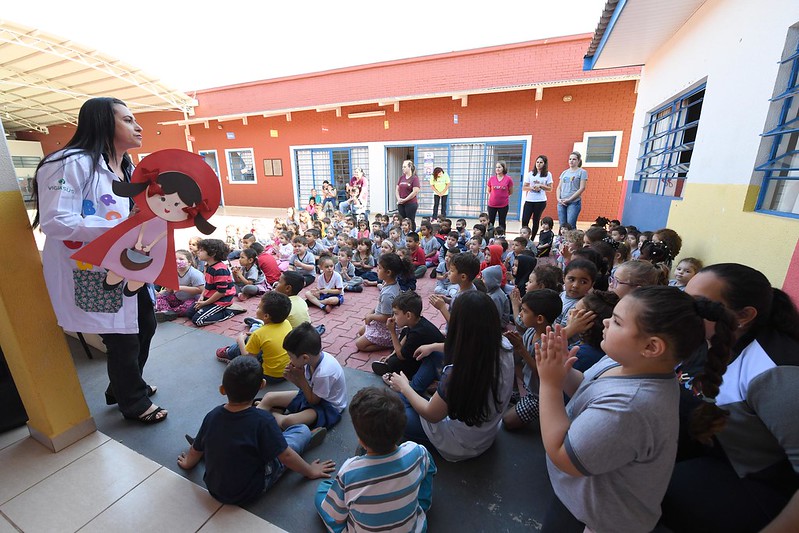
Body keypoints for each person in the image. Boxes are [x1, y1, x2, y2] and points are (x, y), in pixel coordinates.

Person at [537, 286, 735, 533]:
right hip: (580, 499)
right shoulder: (623, 361)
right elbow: (587, 390)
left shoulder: (631, 406)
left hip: (598, 521)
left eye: (618, 322)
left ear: (651, 347)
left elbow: (563, 455)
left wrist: (549, 383)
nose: (606, 321)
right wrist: (563, 372)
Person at [32, 97, 166, 424]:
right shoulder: (68, 163)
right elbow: (55, 221)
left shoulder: (130, 167)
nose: (139, 126)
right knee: (121, 339)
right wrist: (119, 227)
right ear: (104, 123)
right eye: (129, 120)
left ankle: (120, 387)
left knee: (144, 326)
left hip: (129, 266)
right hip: (89, 271)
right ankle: (132, 402)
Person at [662, 264, 799, 532]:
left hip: (758, 488)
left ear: (744, 315)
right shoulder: (706, 339)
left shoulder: (774, 373)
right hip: (714, 456)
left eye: (699, 305)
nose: (683, 314)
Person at [178, 356, 334, 504]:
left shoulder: (212, 416)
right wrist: (310, 471)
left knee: (229, 440)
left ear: (222, 389)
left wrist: (187, 464)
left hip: (214, 488)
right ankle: (304, 437)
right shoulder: (262, 420)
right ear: (262, 385)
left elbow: (195, 449)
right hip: (250, 490)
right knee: (300, 432)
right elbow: (286, 456)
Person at [387, 290, 515, 462]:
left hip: (459, 443)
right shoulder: (503, 345)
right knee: (432, 356)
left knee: (395, 410)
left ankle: (413, 393)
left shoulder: (458, 372)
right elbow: (466, 347)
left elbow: (432, 415)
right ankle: (419, 392)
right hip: (485, 433)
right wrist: (434, 346)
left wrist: (404, 386)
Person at [315, 387, 436, 533]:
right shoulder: (416, 450)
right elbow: (430, 467)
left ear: (361, 441)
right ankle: (422, 505)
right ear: (401, 430)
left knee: (322, 491)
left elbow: (338, 517)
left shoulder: (349, 471)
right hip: (415, 529)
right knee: (426, 465)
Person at [258, 323, 348, 430]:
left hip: (327, 407)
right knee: (269, 397)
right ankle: (259, 415)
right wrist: (293, 379)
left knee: (288, 421)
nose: (289, 360)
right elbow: (306, 389)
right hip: (312, 395)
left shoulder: (323, 373)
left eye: (290, 356)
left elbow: (314, 401)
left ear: (305, 357)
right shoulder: (310, 360)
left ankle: (270, 414)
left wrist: (300, 378)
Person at [503, 288, 562, 430]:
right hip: (530, 382)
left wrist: (521, 349)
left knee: (508, 422)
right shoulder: (530, 331)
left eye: (524, 311)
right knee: (509, 357)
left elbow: (542, 373)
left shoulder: (549, 342)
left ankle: (543, 410)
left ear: (540, 319)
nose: (520, 314)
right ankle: (517, 393)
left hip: (540, 394)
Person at [371, 291, 446, 393]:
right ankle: (390, 363)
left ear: (408, 315)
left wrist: (392, 332)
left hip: (435, 363)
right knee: (403, 336)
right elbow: (406, 336)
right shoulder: (417, 322)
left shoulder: (418, 333)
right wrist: (392, 354)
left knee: (395, 363)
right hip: (424, 355)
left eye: (396, 314)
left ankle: (405, 377)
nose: (393, 317)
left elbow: (401, 356)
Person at [216, 292, 292, 383]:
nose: (257, 308)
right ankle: (254, 326)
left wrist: (240, 341)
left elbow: (249, 360)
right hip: (286, 372)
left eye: (259, 307)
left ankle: (228, 352)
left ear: (266, 316)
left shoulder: (259, 334)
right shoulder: (287, 323)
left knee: (246, 341)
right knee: (255, 339)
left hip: (269, 376)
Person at [355, 253, 410, 351]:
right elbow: (380, 305)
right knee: (360, 331)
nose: (377, 270)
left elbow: (387, 317)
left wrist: (371, 316)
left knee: (360, 344)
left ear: (388, 272)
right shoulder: (389, 283)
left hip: (386, 328)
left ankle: (389, 343)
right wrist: (371, 312)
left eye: (379, 268)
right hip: (381, 323)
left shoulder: (388, 294)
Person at [187, 239, 237, 327]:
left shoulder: (220, 270)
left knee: (198, 321)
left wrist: (205, 303)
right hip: (210, 297)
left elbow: (221, 292)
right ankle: (211, 309)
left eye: (202, 250)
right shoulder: (209, 266)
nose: (198, 252)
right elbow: (207, 285)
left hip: (221, 300)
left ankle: (228, 312)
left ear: (212, 254)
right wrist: (202, 297)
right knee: (189, 313)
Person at [154, 250, 204, 322]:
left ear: (189, 262)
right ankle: (167, 312)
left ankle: (168, 312)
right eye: (175, 259)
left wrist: (181, 288)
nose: (177, 261)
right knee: (159, 299)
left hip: (192, 299)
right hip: (177, 298)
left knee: (187, 308)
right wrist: (161, 292)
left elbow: (201, 290)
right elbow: (169, 290)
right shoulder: (172, 272)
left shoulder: (195, 274)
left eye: (181, 259)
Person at [521, 155, 553, 237]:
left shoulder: (548, 174)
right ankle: (525, 236)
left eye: (541, 162)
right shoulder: (530, 174)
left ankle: (532, 238)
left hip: (540, 201)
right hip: (529, 200)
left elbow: (550, 188)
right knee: (525, 220)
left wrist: (541, 186)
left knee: (535, 220)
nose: (538, 164)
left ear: (544, 164)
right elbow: (524, 187)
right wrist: (532, 187)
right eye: (537, 162)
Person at [556, 151, 588, 229]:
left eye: (574, 159)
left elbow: (582, 188)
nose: (571, 161)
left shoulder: (582, 172)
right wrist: (558, 199)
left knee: (570, 225)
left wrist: (570, 199)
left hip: (574, 202)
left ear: (578, 161)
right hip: (562, 202)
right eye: (570, 159)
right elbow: (559, 187)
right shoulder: (564, 172)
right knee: (562, 225)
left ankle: (573, 241)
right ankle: (562, 241)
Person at [486, 161, 514, 229]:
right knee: (491, 222)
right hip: (492, 205)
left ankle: (501, 237)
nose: (497, 169)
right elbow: (488, 190)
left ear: (503, 168)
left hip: (503, 205)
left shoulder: (508, 179)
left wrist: (503, 196)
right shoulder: (491, 179)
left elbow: (511, 191)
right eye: (496, 167)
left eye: (499, 167)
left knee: (502, 222)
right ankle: (490, 236)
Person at [396, 160, 421, 230]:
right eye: (402, 167)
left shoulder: (414, 178)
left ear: (409, 167)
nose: (403, 168)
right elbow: (397, 189)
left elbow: (415, 191)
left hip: (411, 204)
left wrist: (405, 199)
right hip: (401, 203)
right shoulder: (401, 178)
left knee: (410, 221)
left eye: (404, 167)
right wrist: (399, 199)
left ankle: (412, 234)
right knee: (402, 220)